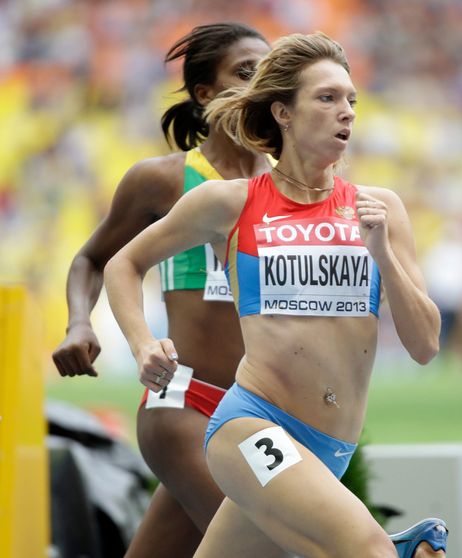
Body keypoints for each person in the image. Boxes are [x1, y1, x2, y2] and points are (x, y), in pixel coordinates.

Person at [103, 32, 448, 558]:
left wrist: (384, 258)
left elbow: (424, 345)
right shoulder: (230, 201)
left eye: (352, 100)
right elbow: (122, 262)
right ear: (283, 112)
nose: (347, 112)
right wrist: (143, 342)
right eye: (328, 98)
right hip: (251, 426)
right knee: (370, 551)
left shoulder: (381, 209)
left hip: (330, 446)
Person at [51, 23, 273, 557]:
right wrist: (80, 322)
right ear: (204, 93)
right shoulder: (164, 181)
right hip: (183, 401)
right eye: (245, 72)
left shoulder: (291, 184)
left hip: (258, 411)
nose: (260, 83)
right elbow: (92, 258)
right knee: (264, 544)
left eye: (268, 72)